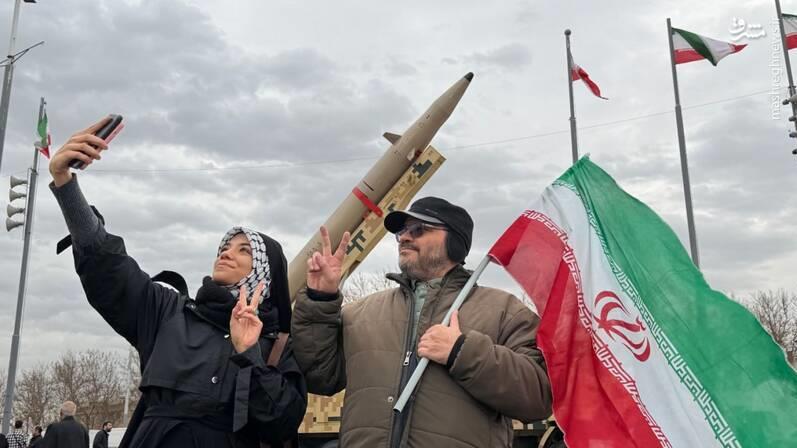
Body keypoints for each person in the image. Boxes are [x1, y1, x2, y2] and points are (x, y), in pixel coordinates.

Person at [49, 117, 306, 448]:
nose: (227, 253)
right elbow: (109, 267)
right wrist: (66, 185)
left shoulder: (276, 346)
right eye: (224, 247)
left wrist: (249, 354)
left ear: (265, 272)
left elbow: (282, 423)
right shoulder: (169, 312)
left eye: (244, 250)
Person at [292, 196, 553, 447]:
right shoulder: (360, 314)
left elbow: (539, 398)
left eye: (418, 229)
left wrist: (463, 352)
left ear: (454, 242)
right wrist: (319, 299)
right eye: (402, 232)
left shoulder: (505, 312)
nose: (405, 237)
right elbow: (320, 377)